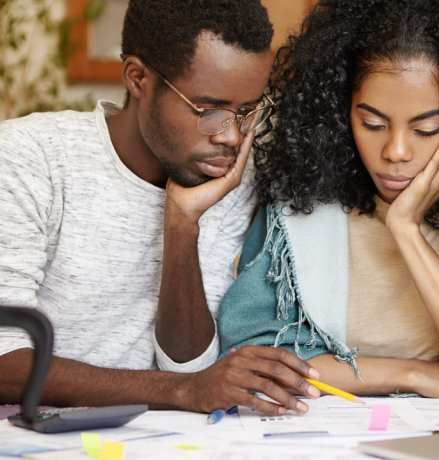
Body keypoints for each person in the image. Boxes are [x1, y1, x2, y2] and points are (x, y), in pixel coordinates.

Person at [211, 0, 439, 402]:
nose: (395, 151)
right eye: (371, 123)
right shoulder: (301, 199)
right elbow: (249, 360)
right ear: (340, 112)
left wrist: (406, 231)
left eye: (426, 129)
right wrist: (413, 375)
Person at [0, 0, 320, 415]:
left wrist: (183, 224)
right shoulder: (29, 159)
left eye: (247, 112)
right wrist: (181, 391)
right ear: (138, 78)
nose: (232, 137)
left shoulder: (232, 180)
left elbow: (192, 367)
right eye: (210, 111)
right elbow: (5, 362)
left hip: (159, 441)